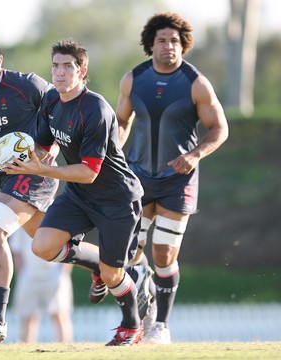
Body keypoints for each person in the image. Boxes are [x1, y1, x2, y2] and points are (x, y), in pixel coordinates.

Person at [0, 36, 101, 343]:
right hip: (8, 178)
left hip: (35, 172)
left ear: (0, 60)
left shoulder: (27, 85)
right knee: (46, 245)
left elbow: (63, 104)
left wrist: (55, 145)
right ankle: (105, 262)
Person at [4, 38, 146, 346]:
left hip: (116, 198)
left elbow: (89, 172)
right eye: (55, 66)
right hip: (81, 195)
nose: (60, 73)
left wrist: (42, 169)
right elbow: (42, 146)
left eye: (68, 67)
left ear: (82, 71)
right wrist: (18, 158)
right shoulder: (52, 101)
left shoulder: (96, 109)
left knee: (113, 276)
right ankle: (97, 264)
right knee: (41, 246)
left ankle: (131, 325)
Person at [114, 12, 229, 344]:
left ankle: (161, 325)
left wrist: (194, 156)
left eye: (175, 41)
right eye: (162, 41)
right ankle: (144, 311)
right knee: (131, 251)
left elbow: (220, 128)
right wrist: (115, 149)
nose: (169, 47)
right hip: (137, 177)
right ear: (151, 44)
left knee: (163, 254)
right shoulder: (132, 79)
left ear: (184, 46)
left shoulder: (196, 83)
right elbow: (121, 122)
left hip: (178, 180)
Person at [9, 227, 73, 343]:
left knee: (59, 313)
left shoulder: (57, 220)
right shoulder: (23, 225)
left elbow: (70, 246)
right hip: (29, 274)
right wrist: (22, 273)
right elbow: (17, 250)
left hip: (55, 273)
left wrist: (63, 272)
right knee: (28, 315)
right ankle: (26, 348)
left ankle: (65, 347)